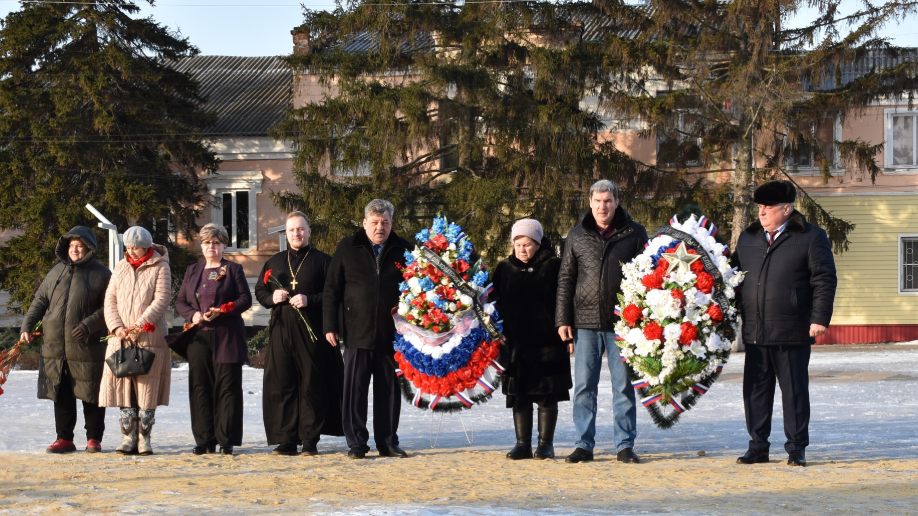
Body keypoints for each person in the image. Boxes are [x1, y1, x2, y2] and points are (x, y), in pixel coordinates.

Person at [731, 180, 837, 467]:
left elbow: (824, 279)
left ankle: (796, 448)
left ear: (786, 209)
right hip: (755, 328)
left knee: (793, 391)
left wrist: (819, 318)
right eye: (759, 208)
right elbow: (733, 277)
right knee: (755, 392)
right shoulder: (748, 237)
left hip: (792, 329)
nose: (762, 213)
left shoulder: (811, 236)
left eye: (768, 207)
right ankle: (758, 446)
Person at [556, 179, 649, 464]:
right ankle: (583, 444)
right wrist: (563, 319)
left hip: (623, 324)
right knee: (585, 387)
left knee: (623, 387)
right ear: (590, 203)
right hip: (584, 323)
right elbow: (565, 279)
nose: (602, 206)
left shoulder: (635, 233)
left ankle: (624, 445)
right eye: (597, 201)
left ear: (616, 202)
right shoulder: (576, 235)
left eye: (607, 201)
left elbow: (648, 278)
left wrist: (643, 321)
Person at [324, 199, 412, 459]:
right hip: (356, 332)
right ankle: (357, 443)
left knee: (389, 393)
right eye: (374, 222)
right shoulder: (347, 247)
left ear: (392, 223)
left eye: (385, 222)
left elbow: (417, 292)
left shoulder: (404, 249)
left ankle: (387, 442)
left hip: (392, 335)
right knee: (355, 392)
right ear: (364, 223)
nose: (379, 227)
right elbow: (332, 290)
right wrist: (330, 325)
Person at [255, 211, 343, 456]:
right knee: (283, 384)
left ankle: (309, 439)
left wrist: (310, 299)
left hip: (311, 332)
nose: (296, 233)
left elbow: (334, 294)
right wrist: (272, 298)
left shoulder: (324, 261)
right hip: (282, 331)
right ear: (286, 232)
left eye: (301, 229)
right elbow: (260, 290)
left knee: (310, 385)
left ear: (309, 232)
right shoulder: (274, 262)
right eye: (292, 229)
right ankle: (286, 439)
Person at [20, 227, 112, 454]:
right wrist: (27, 326)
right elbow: (39, 302)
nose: (75, 249)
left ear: (89, 248)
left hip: (86, 345)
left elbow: (110, 308)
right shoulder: (55, 272)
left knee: (90, 391)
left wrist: (89, 325)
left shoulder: (102, 274)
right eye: (71, 246)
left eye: (79, 246)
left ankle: (94, 439)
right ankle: (64, 439)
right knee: (60, 391)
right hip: (55, 345)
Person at [492, 219, 572, 460]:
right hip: (515, 344)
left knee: (547, 394)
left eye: (526, 244)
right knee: (519, 394)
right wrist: (497, 331)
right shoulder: (504, 268)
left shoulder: (554, 265)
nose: (522, 249)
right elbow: (493, 304)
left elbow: (565, 299)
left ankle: (545, 444)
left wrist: (568, 332)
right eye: (517, 244)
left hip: (548, 343)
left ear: (537, 243)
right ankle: (522, 444)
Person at [174, 223, 253, 456]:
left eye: (216, 242)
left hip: (227, 337)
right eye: (207, 242)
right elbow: (180, 301)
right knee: (200, 388)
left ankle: (226, 439)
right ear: (201, 245)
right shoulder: (192, 270)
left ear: (224, 245)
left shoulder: (234, 269)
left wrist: (223, 310)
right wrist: (194, 314)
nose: (211, 246)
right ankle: (204, 439)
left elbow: (245, 300)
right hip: (198, 338)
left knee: (227, 388)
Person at [99, 226, 172, 456]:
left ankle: (144, 439)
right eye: (128, 247)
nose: (131, 252)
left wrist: (139, 325)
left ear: (147, 246)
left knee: (146, 388)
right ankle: (127, 436)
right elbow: (109, 300)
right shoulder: (120, 267)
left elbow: (161, 299)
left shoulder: (161, 267)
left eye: (136, 248)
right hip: (121, 338)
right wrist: (117, 327)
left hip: (149, 337)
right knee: (124, 387)